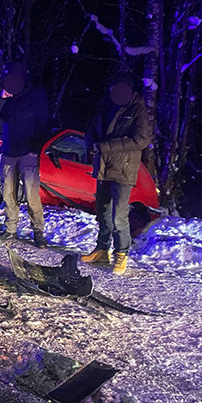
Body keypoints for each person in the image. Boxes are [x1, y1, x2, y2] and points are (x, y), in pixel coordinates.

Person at [82, 72, 153, 274]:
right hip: (103, 167)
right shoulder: (105, 105)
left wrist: (106, 146)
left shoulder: (137, 110)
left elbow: (141, 140)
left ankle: (121, 253)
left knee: (119, 216)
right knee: (102, 212)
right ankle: (102, 250)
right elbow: (93, 129)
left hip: (123, 169)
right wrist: (90, 142)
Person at [0, 61, 51, 247]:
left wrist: (35, 148)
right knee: (8, 194)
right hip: (8, 151)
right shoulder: (6, 97)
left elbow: (44, 122)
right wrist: (2, 98)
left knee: (31, 195)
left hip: (28, 153)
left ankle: (38, 232)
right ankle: (10, 229)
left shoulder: (35, 95)